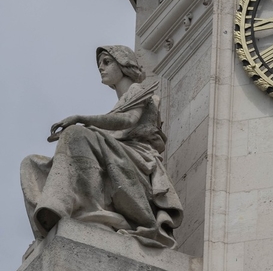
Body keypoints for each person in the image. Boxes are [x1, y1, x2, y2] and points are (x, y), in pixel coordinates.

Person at [20, 45, 182, 249]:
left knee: (76, 134)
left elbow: (127, 121)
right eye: (99, 65)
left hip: (135, 158)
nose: (101, 68)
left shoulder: (138, 91)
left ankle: (78, 209)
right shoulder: (119, 103)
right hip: (116, 153)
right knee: (31, 164)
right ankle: (48, 221)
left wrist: (81, 120)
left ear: (124, 64)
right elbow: (109, 130)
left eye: (107, 62)